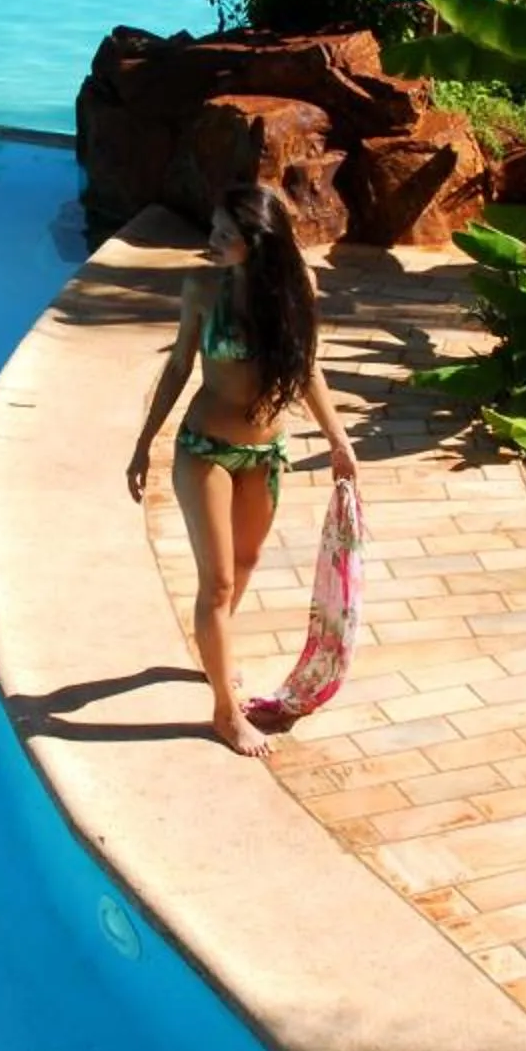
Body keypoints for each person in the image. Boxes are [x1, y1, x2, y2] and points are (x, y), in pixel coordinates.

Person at [126, 182, 359, 758]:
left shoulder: (296, 287)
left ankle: (215, 650)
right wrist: (144, 442)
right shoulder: (202, 287)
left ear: (258, 242)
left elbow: (306, 368)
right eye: (214, 230)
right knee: (219, 579)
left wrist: (338, 440)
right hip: (204, 447)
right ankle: (225, 713)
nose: (212, 242)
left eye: (226, 235)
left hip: (266, 453)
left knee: (248, 560)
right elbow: (180, 365)